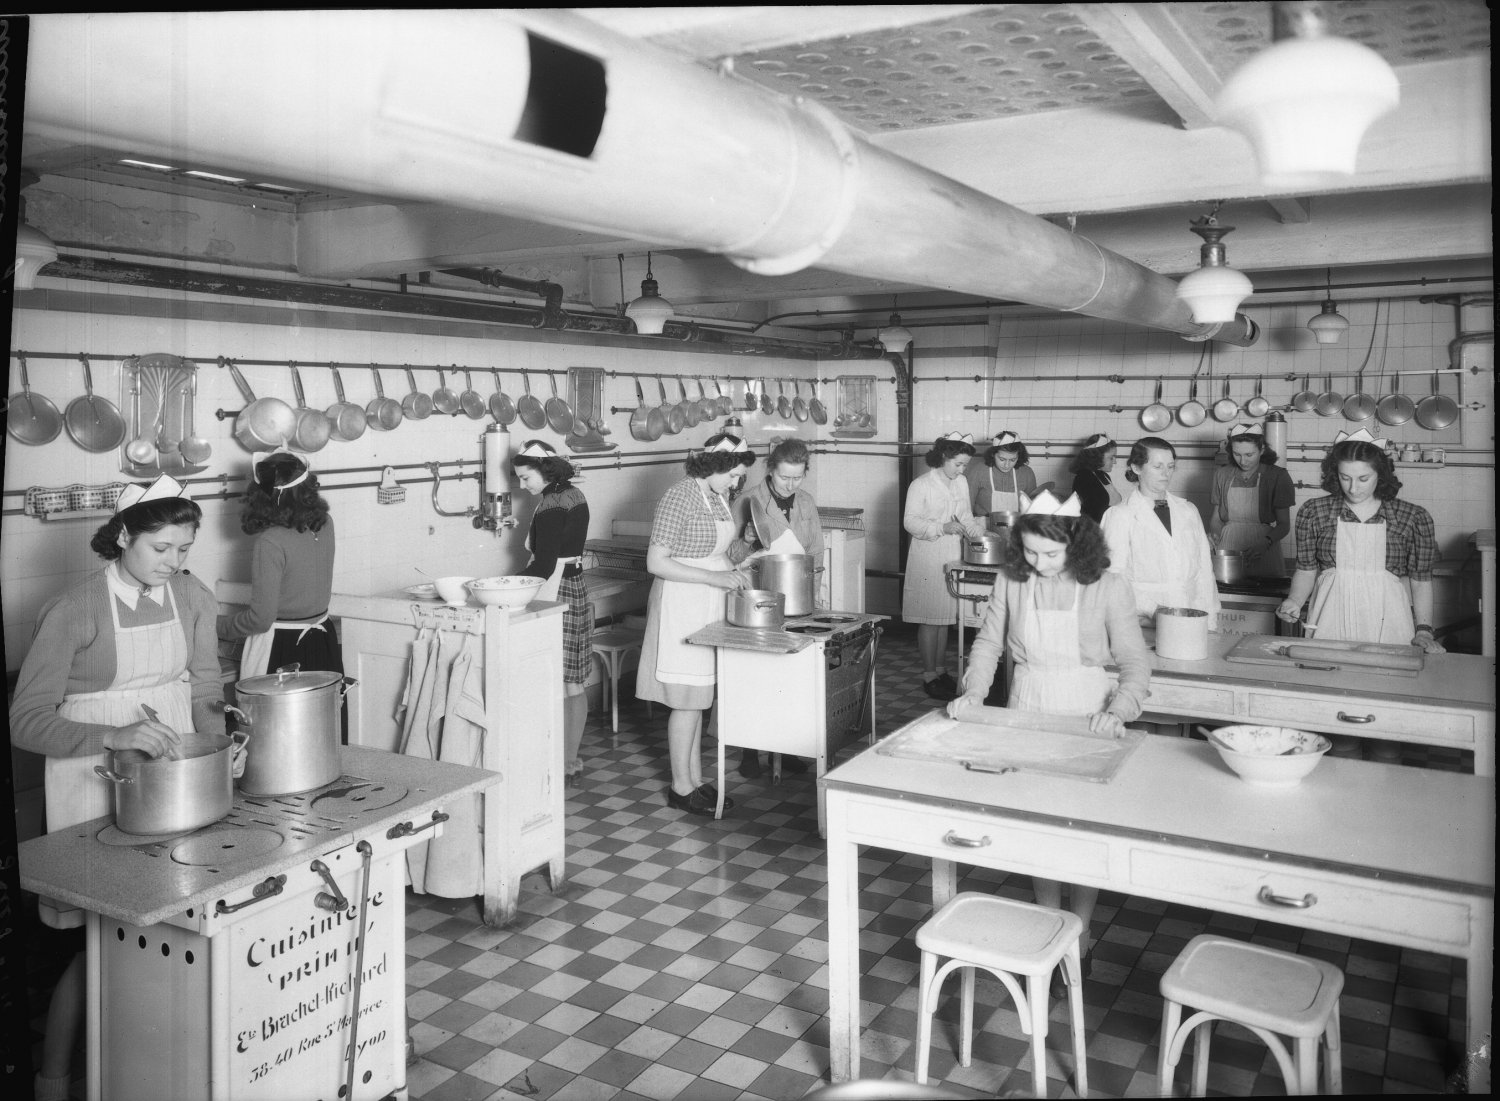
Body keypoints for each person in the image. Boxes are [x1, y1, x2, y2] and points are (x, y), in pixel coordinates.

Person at [9, 475, 223, 1101]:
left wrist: (217, 741)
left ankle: (163, 1075)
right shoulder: (74, 610)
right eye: (162, 548)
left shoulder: (192, 596)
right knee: (101, 942)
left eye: (184, 548)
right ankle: (53, 1079)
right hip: (91, 783)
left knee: (175, 927)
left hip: (170, 777)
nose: (175, 563)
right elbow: (24, 721)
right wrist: (112, 735)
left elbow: (204, 689)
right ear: (124, 536)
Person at [948, 490, 1149, 969]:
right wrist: (973, 692)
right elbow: (988, 643)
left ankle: (1080, 927)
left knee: (1082, 827)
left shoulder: (1108, 585)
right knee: (1035, 820)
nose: (1039, 563)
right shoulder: (1011, 581)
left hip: (1087, 710)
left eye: (1051, 554)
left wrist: (1118, 710)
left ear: (1076, 546)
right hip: (1028, 702)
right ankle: (1048, 916)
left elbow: (1135, 662)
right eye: (1031, 552)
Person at [1276, 430, 1444, 760]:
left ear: (1380, 475)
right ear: (1333, 475)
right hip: (1331, 623)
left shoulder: (1413, 517)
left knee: (1386, 726)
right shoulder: (1315, 511)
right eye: (1345, 478)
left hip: (1389, 625)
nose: (1353, 488)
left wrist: (1424, 630)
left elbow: (1421, 581)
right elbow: (1307, 569)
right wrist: (1295, 601)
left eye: (1363, 478)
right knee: (1336, 724)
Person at [636, 433, 756, 815]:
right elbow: (657, 562)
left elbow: (714, 553)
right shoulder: (679, 496)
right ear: (715, 466)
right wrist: (714, 578)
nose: (737, 483)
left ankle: (698, 781)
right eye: (734, 474)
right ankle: (680, 787)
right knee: (686, 701)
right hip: (681, 604)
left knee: (699, 699)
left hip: (708, 603)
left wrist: (739, 563)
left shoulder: (719, 496)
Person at [735, 436, 824, 779]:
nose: (791, 484)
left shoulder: (806, 501)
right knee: (756, 678)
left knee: (792, 678)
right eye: (785, 477)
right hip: (760, 599)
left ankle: (784, 749)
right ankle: (749, 750)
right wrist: (744, 544)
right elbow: (732, 558)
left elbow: (815, 552)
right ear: (770, 469)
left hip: (800, 600)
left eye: (798, 477)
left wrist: (814, 601)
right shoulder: (749, 500)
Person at [218, 450, 343, 687]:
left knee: (274, 723)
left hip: (282, 649)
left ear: (261, 495)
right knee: (323, 719)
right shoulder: (325, 522)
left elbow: (260, 620)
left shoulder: (270, 541)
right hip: (323, 641)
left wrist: (215, 625)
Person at [511, 440, 593, 781]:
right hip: (575, 587)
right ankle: (569, 759)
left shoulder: (550, 507)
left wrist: (505, 585)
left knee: (558, 680)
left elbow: (543, 566)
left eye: (526, 477)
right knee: (574, 681)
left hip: (556, 591)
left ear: (544, 471)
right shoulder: (573, 495)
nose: (522, 485)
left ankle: (559, 760)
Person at [1101, 437, 1219, 622]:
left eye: (1170, 466)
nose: (1166, 474)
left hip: (1191, 615)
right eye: (1158, 467)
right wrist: (1155, 610)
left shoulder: (1188, 510)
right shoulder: (1119, 515)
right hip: (1142, 621)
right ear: (1136, 468)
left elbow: (1204, 570)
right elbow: (1112, 579)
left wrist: (1210, 619)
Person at [904, 432, 985, 700]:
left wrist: (981, 536)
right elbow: (910, 522)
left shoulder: (960, 482)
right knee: (929, 619)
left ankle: (940, 671)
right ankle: (929, 676)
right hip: (927, 554)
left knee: (944, 619)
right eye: (958, 464)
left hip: (951, 554)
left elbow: (966, 517)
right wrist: (942, 527)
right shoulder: (921, 484)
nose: (962, 469)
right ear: (943, 458)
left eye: (965, 465)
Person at [1208, 424, 1294, 577]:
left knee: (1264, 596)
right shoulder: (1222, 474)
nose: (1243, 461)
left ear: (1261, 450)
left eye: (1249, 455)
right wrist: (1214, 536)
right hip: (1229, 544)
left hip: (1264, 544)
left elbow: (1284, 524)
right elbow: (1216, 518)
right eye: (1237, 454)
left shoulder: (1277, 476)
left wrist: (1265, 543)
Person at [966, 430, 1053, 531]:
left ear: (1019, 456)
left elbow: (1031, 507)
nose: (1007, 465)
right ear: (993, 454)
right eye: (1002, 459)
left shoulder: (1026, 473)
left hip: (1016, 529)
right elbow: (967, 505)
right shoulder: (979, 471)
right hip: (984, 528)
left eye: (1012, 460)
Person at [1069, 433, 1122, 523]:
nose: (1115, 461)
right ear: (1097, 457)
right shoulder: (1084, 478)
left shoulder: (1103, 475)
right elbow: (1094, 514)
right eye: (1111, 458)